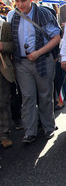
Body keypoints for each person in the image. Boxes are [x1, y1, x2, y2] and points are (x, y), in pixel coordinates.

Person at [8, 0, 61, 143]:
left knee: (45, 95)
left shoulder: (44, 13)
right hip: (21, 62)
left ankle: (48, 127)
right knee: (28, 97)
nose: (20, 4)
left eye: (23, 0)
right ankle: (29, 132)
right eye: (17, 1)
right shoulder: (12, 15)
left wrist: (38, 52)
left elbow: (56, 37)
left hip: (43, 60)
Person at [0, 18, 14, 148]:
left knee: (3, 102)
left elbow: (13, 45)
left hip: (2, 70)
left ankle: (4, 134)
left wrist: (3, 46)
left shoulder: (3, 25)